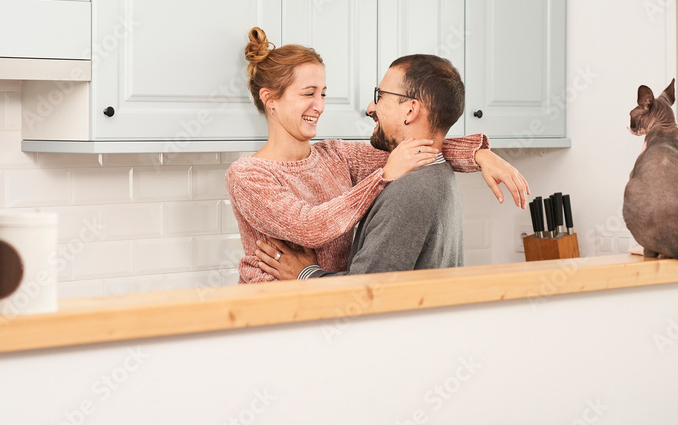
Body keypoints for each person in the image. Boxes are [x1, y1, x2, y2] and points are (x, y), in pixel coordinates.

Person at [225, 27, 529, 283]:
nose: (320, 105)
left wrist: (479, 154)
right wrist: (382, 177)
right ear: (270, 99)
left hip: (328, 307)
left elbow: (417, 147)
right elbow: (309, 227)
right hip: (269, 313)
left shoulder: (337, 155)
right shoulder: (247, 175)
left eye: (323, 93)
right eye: (308, 93)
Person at [255, 54, 480, 279]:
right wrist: (478, 153)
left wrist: (305, 273)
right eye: (308, 93)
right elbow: (310, 225)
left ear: (410, 110)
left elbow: (366, 289)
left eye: (380, 96)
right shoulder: (437, 171)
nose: (370, 107)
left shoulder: (408, 191)